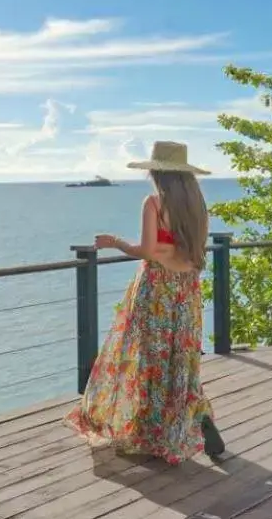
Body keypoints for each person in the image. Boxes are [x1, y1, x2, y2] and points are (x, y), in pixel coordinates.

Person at [65, 140, 226, 462]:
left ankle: (156, 432)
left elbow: (149, 251)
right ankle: (197, 415)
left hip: (156, 289)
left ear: (157, 172)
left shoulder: (154, 203)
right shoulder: (198, 205)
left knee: (149, 357)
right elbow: (195, 253)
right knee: (181, 359)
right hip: (186, 289)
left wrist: (116, 242)